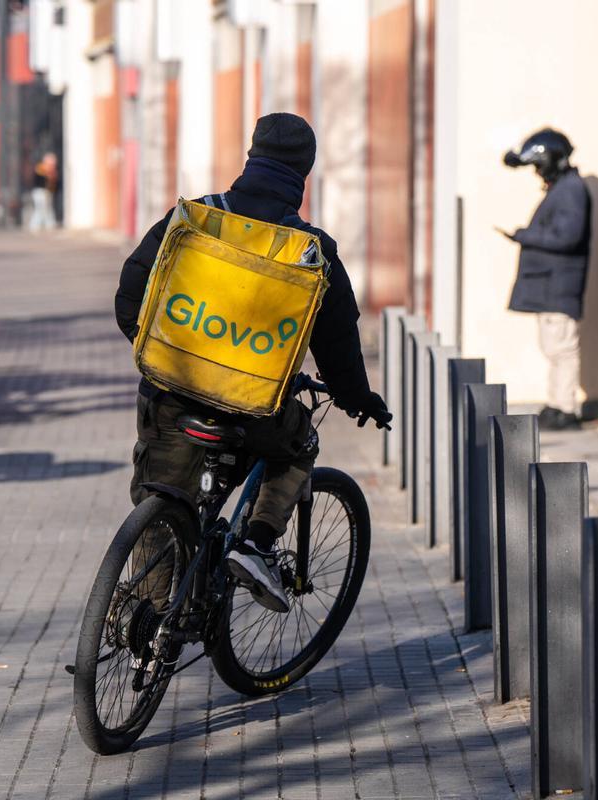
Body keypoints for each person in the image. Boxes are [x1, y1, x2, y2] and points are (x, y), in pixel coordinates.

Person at [115, 113, 391, 613]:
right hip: (253, 410)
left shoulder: (196, 218)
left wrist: (160, 353)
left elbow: (132, 291)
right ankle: (258, 545)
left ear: (251, 155)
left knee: (163, 506)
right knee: (299, 440)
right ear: (304, 170)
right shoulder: (310, 250)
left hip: (173, 396)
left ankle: (144, 629)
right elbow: (338, 345)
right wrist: (358, 399)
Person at [499, 128, 592, 430]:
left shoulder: (571, 189)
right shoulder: (563, 189)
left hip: (558, 287)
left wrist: (526, 235)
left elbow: (567, 236)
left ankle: (566, 408)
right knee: (553, 349)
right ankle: (556, 403)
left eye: (540, 165)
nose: (538, 173)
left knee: (562, 349)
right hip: (551, 287)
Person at [29, 152, 59, 231]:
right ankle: (35, 225)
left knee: (47, 208)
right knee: (41, 209)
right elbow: (41, 181)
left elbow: (53, 184)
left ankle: (50, 224)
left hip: (48, 192)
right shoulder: (40, 168)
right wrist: (49, 174)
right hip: (40, 192)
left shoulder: (52, 171)